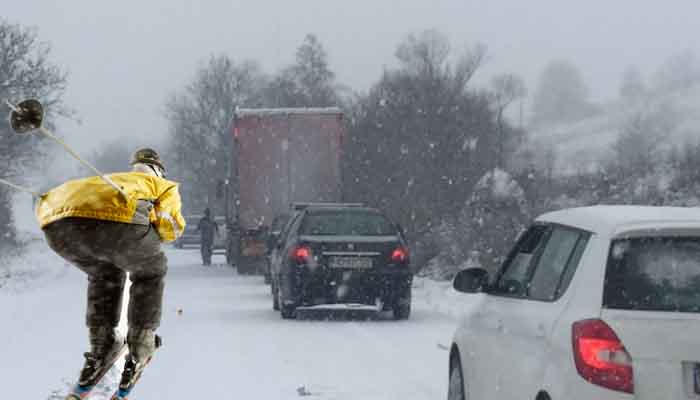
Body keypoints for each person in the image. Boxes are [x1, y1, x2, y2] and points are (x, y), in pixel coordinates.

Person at [36, 148, 186, 395]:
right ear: (158, 170)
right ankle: (140, 348)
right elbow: (170, 228)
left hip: (57, 227)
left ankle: (101, 347)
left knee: (104, 272)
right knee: (151, 270)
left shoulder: (108, 181)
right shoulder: (160, 184)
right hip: (117, 228)